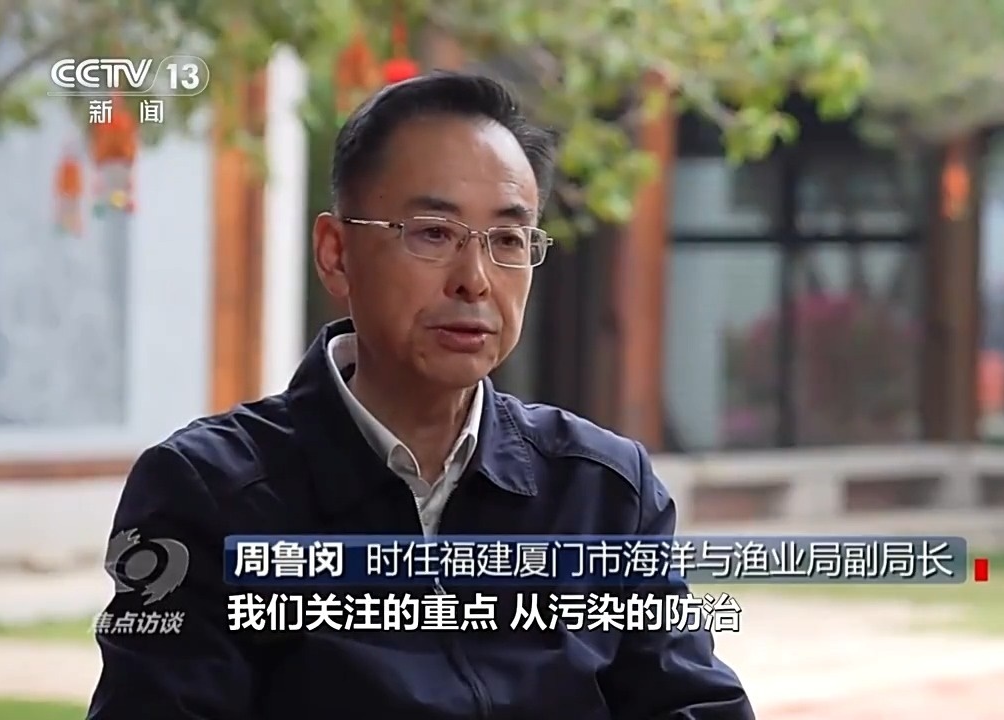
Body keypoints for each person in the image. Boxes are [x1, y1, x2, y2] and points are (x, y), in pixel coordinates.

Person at [88, 71, 753, 719]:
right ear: (336, 253)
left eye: (507, 240)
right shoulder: (210, 493)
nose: (475, 280)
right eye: (433, 232)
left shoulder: (604, 492)